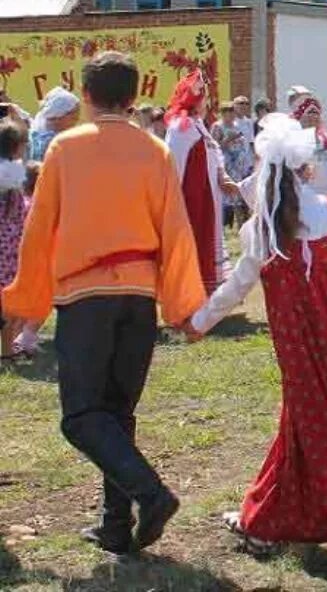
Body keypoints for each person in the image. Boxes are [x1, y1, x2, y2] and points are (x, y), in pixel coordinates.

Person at [1, 51, 204, 554]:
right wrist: (183, 305)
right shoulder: (153, 151)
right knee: (117, 414)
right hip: (138, 297)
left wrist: (26, 300)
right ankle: (116, 526)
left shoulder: (65, 149)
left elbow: (39, 229)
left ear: (86, 96)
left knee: (81, 416)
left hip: (86, 296)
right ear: (133, 97)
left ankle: (151, 495)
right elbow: (176, 230)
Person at [189, 114, 327, 572]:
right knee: (311, 434)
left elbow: (236, 288)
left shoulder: (262, 229)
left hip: (301, 354)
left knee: (323, 439)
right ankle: (264, 519)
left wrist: (199, 321)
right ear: (306, 169)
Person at [163, 71, 235, 293]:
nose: (206, 101)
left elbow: (214, 156)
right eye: (203, 96)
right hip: (191, 199)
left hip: (207, 196)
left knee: (205, 241)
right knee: (193, 243)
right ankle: (189, 294)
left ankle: (205, 291)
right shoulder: (180, 127)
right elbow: (173, 165)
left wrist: (222, 176)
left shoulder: (198, 125)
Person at [0, 122, 29, 358]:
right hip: (8, 249)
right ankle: (7, 349)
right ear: (16, 147)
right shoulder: (14, 175)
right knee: (8, 301)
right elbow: (20, 214)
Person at [29, 87, 81, 161]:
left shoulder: (40, 129)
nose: (77, 119)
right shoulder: (51, 145)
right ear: (58, 117)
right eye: (73, 117)